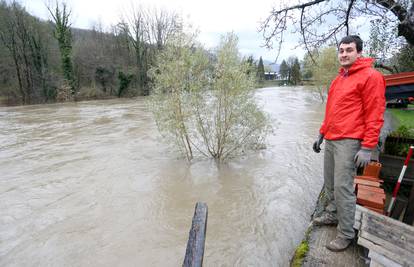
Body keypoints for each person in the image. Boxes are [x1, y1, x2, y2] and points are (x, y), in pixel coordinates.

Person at [312, 35, 386, 252]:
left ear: (359, 52)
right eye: (341, 50)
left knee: (343, 187)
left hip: (350, 141)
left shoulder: (371, 77)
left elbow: (375, 113)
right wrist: (321, 133)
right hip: (332, 139)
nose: (344, 54)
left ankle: (346, 233)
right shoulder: (338, 80)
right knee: (330, 183)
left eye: (349, 50)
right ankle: (333, 214)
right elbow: (332, 111)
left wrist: (367, 146)